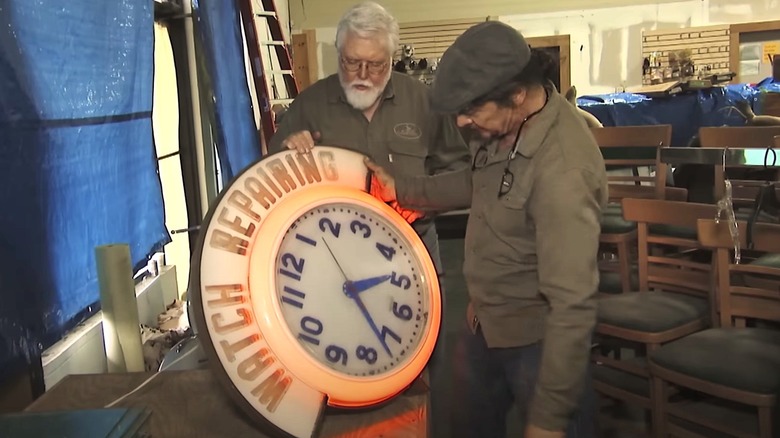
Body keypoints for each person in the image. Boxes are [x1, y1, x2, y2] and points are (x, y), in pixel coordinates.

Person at [365, 21, 606, 438]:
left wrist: (549, 421)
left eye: (472, 109)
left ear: (515, 94)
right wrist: (402, 190)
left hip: (540, 340)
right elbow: (476, 181)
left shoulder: (563, 170)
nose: (461, 120)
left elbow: (572, 305)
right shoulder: (506, 123)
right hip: (484, 321)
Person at [267, 2, 470, 436]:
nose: (361, 73)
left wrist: (422, 197)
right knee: (342, 362)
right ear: (337, 55)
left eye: (374, 65)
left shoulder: (424, 102)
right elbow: (271, 179)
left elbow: (463, 172)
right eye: (350, 62)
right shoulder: (312, 104)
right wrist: (288, 150)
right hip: (333, 264)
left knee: (425, 357)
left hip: (414, 253)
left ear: (391, 60)